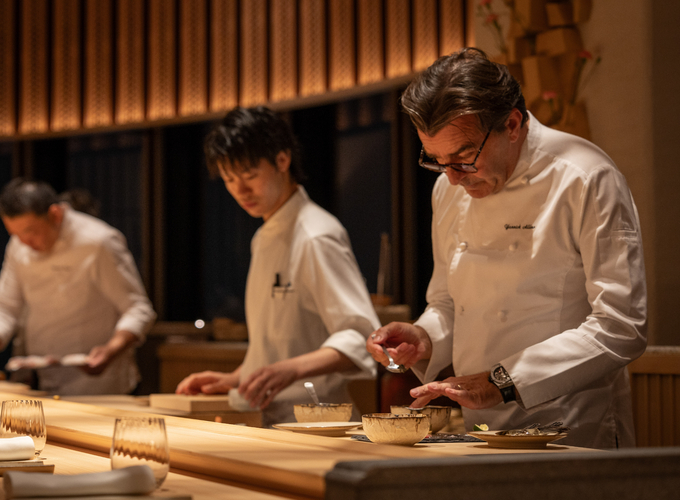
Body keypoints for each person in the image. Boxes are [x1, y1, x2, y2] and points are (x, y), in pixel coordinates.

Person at [367, 48, 647, 449]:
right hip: (479, 431)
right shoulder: (448, 188)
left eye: (464, 158)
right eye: (436, 160)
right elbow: (448, 302)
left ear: (512, 124)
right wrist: (423, 337)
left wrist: (503, 381)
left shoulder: (584, 176)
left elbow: (622, 327)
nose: (452, 178)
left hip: (569, 426)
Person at [176, 106, 379, 426]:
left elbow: (361, 336)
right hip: (268, 418)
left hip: (319, 423)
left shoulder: (315, 234)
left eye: (249, 176)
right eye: (229, 179)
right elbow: (277, 346)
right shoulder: (264, 236)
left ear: (282, 160)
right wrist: (234, 379)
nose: (240, 191)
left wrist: (292, 369)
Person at [0, 179, 156, 395]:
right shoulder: (19, 244)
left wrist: (111, 350)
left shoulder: (98, 241)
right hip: (44, 381)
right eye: (16, 234)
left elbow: (138, 308)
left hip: (99, 386)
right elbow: (5, 306)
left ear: (55, 214)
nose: (24, 242)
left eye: (31, 232)